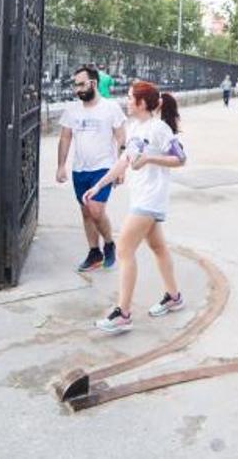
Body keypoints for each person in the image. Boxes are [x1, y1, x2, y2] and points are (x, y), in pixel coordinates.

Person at [86, 81, 186, 333]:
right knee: (158, 247)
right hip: (140, 196)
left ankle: (123, 313)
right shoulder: (134, 127)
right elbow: (123, 162)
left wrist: (150, 158)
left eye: (130, 97)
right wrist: (98, 186)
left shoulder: (159, 128)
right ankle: (174, 297)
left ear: (142, 103)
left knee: (123, 249)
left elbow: (181, 158)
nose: (127, 101)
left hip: (150, 200)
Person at [57, 65, 126, 272]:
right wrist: (61, 166)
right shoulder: (72, 109)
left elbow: (121, 137)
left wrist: (120, 168)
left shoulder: (110, 107)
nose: (77, 89)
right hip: (80, 169)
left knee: (96, 209)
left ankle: (109, 243)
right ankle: (94, 252)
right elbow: (65, 137)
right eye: (75, 85)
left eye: (80, 84)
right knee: (86, 212)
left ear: (93, 83)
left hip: (103, 168)